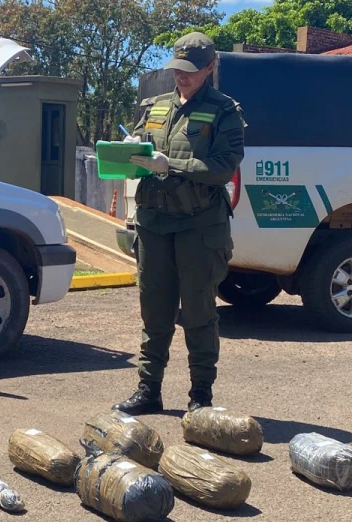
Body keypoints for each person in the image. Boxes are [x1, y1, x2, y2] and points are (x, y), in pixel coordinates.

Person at [113, 31, 246, 415]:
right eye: (177, 69)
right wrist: (126, 153)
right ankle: (148, 389)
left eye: (190, 70)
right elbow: (139, 146)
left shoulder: (224, 112)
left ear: (210, 67)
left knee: (199, 311)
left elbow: (223, 168)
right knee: (154, 309)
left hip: (199, 226)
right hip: (154, 223)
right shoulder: (155, 107)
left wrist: (172, 165)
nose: (181, 76)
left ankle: (200, 394)